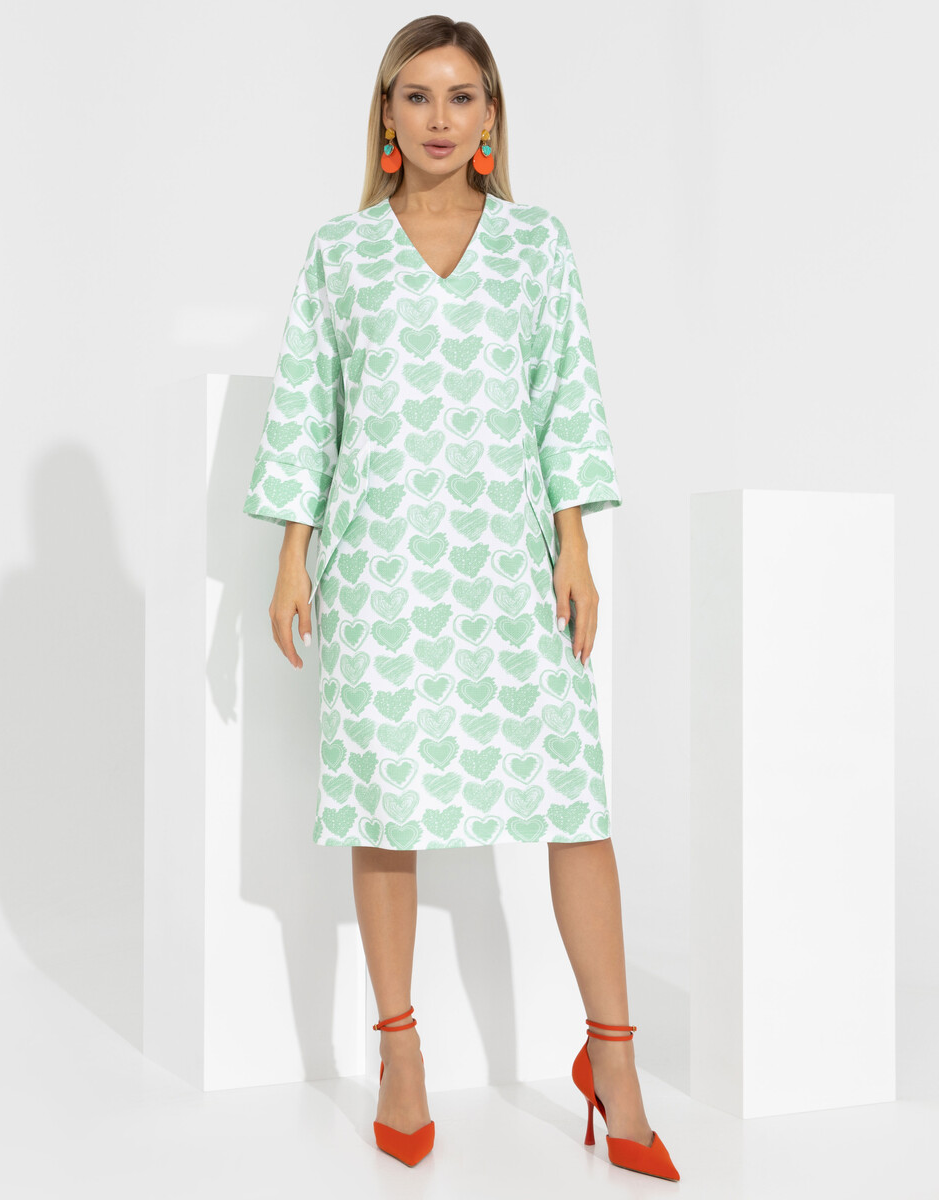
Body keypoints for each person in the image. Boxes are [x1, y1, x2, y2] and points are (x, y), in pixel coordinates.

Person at [241, 15, 679, 1182]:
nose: (441, 118)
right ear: (386, 114)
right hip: (379, 561)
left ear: (491, 116)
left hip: (512, 561)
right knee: (386, 802)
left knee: (574, 803)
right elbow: (310, 407)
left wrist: (573, 544)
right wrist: (292, 555)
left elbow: (566, 394)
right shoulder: (340, 254)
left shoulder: (538, 245)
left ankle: (613, 1057)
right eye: (418, 96)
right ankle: (399, 1050)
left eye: (463, 96)